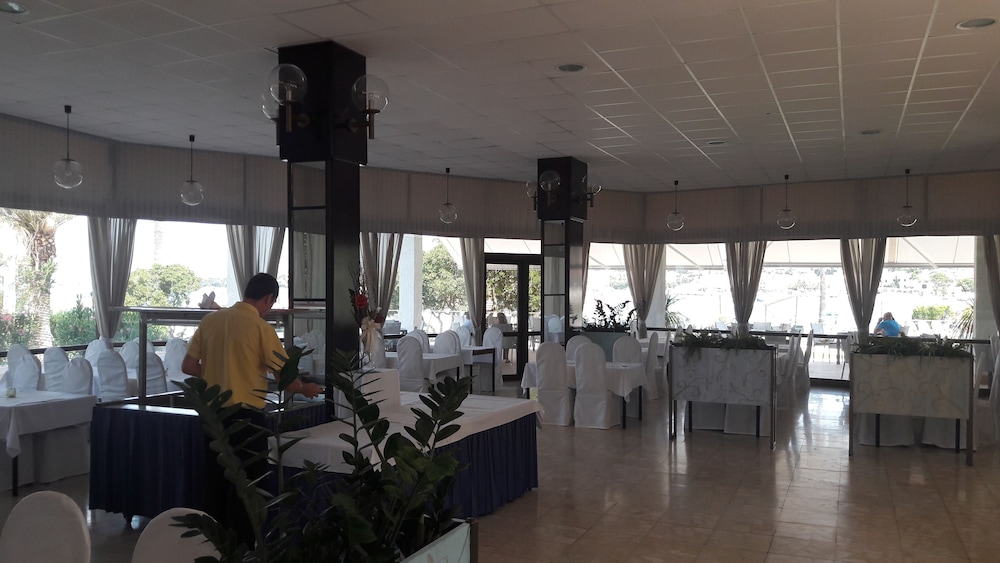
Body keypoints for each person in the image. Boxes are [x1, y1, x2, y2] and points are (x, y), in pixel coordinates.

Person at [181, 272, 321, 545]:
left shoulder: (210, 321)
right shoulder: (260, 328)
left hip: (213, 417)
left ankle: (214, 546)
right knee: (249, 486)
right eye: (271, 303)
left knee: (215, 482)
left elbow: (187, 366)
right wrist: (306, 388)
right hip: (246, 419)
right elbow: (286, 379)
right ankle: (244, 548)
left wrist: (216, 374)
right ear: (268, 298)